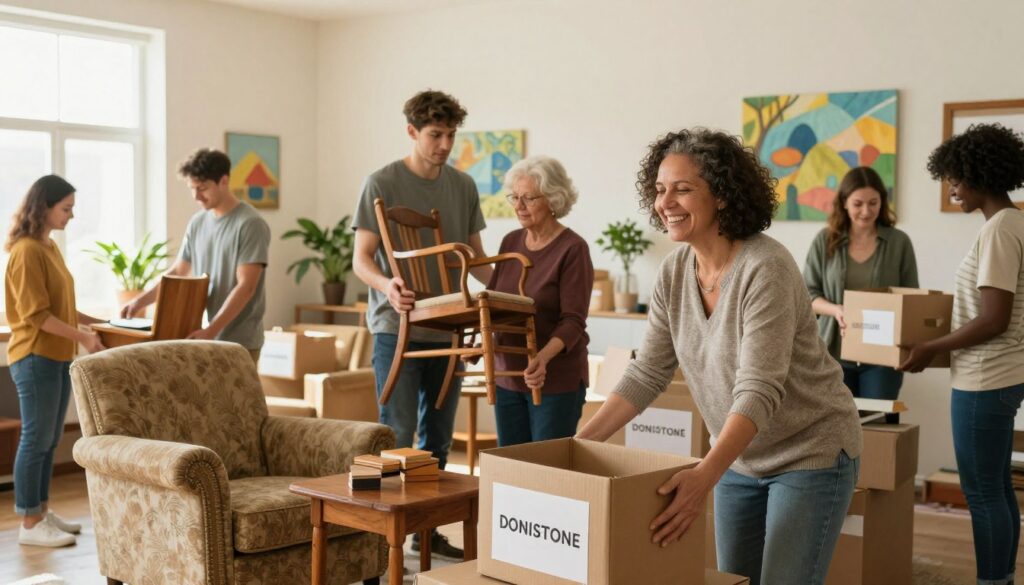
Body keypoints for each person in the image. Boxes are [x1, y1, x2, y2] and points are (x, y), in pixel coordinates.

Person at [576, 128, 862, 585]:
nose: (665, 201)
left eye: (683, 189)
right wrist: (579, 446)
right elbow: (648, 371)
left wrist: (703, 476)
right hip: (740, 459)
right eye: (659, 189)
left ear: (723, 197)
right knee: (733, 580)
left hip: (810, 450)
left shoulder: (764, 267)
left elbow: (759, 388)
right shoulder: (673, 271)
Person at [351, 89, 491, 558]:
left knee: (438, 439)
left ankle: (425, 531)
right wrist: (387, 285)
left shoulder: (463, 186)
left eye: (451, 135)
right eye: (435, 135)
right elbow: (361, 260)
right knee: (395, 434)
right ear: (412, 131)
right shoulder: (380, 182)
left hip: (450, 327)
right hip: (397, 326)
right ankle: (379, 539)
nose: (445, 145)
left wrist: (491, 307)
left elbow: (476, 260)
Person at [901, 123, 1024, 585]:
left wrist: (929, 348)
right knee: (996, 489)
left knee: (982, 493)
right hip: (1004, 373)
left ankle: (993, 580)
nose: (951, 187)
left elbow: (994, 317)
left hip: (985, 378)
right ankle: (1002, 577)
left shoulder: (999, 230)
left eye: (956, 177)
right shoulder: (1013, 223)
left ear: (979, 173)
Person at [5, 175, 107, 547]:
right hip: (35, 356)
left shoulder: (49, 248)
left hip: (57, 356)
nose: (71, 216)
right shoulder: (27, 251)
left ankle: (41, 511)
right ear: (43, 207)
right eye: (66, 208)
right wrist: (84, 338)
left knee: (48, 440)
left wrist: (95, 322)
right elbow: (36, 315)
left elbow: (61, 306)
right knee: (36, 439)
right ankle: (30, 523)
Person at [122, 149, 270, 363]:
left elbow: (246, 287)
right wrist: (140, 301)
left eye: (202, 188)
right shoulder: (198, 222)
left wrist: (211, 330)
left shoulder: (250, 224)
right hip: (207, 337)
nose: (196, 196)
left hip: (240, 341)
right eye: (192, 188)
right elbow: (177, 272)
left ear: (224, 181)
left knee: (233, 398)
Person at [486, 156, 593, 446]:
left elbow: (573, 322)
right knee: (510, 470)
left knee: (546, 473)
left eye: (529, 198)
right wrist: (477, 343)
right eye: (515, 197)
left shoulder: (573, 249)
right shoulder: (510, 242)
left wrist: (542, 358)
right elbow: (494, 304)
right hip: (508, 375)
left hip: (555, 379)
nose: (519, 206)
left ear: (554, 200)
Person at [804, 166, 918, 399]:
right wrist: (836, 310)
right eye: (858, 204)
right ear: (844, 203)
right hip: (833, 354)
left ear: (882, 202)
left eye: (873, 203)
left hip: (883, 356)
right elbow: (807, 294)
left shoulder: (899, 242)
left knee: (876, 428)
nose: (866, 211)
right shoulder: (824, 241)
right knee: (836, 427)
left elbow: (912, 298)